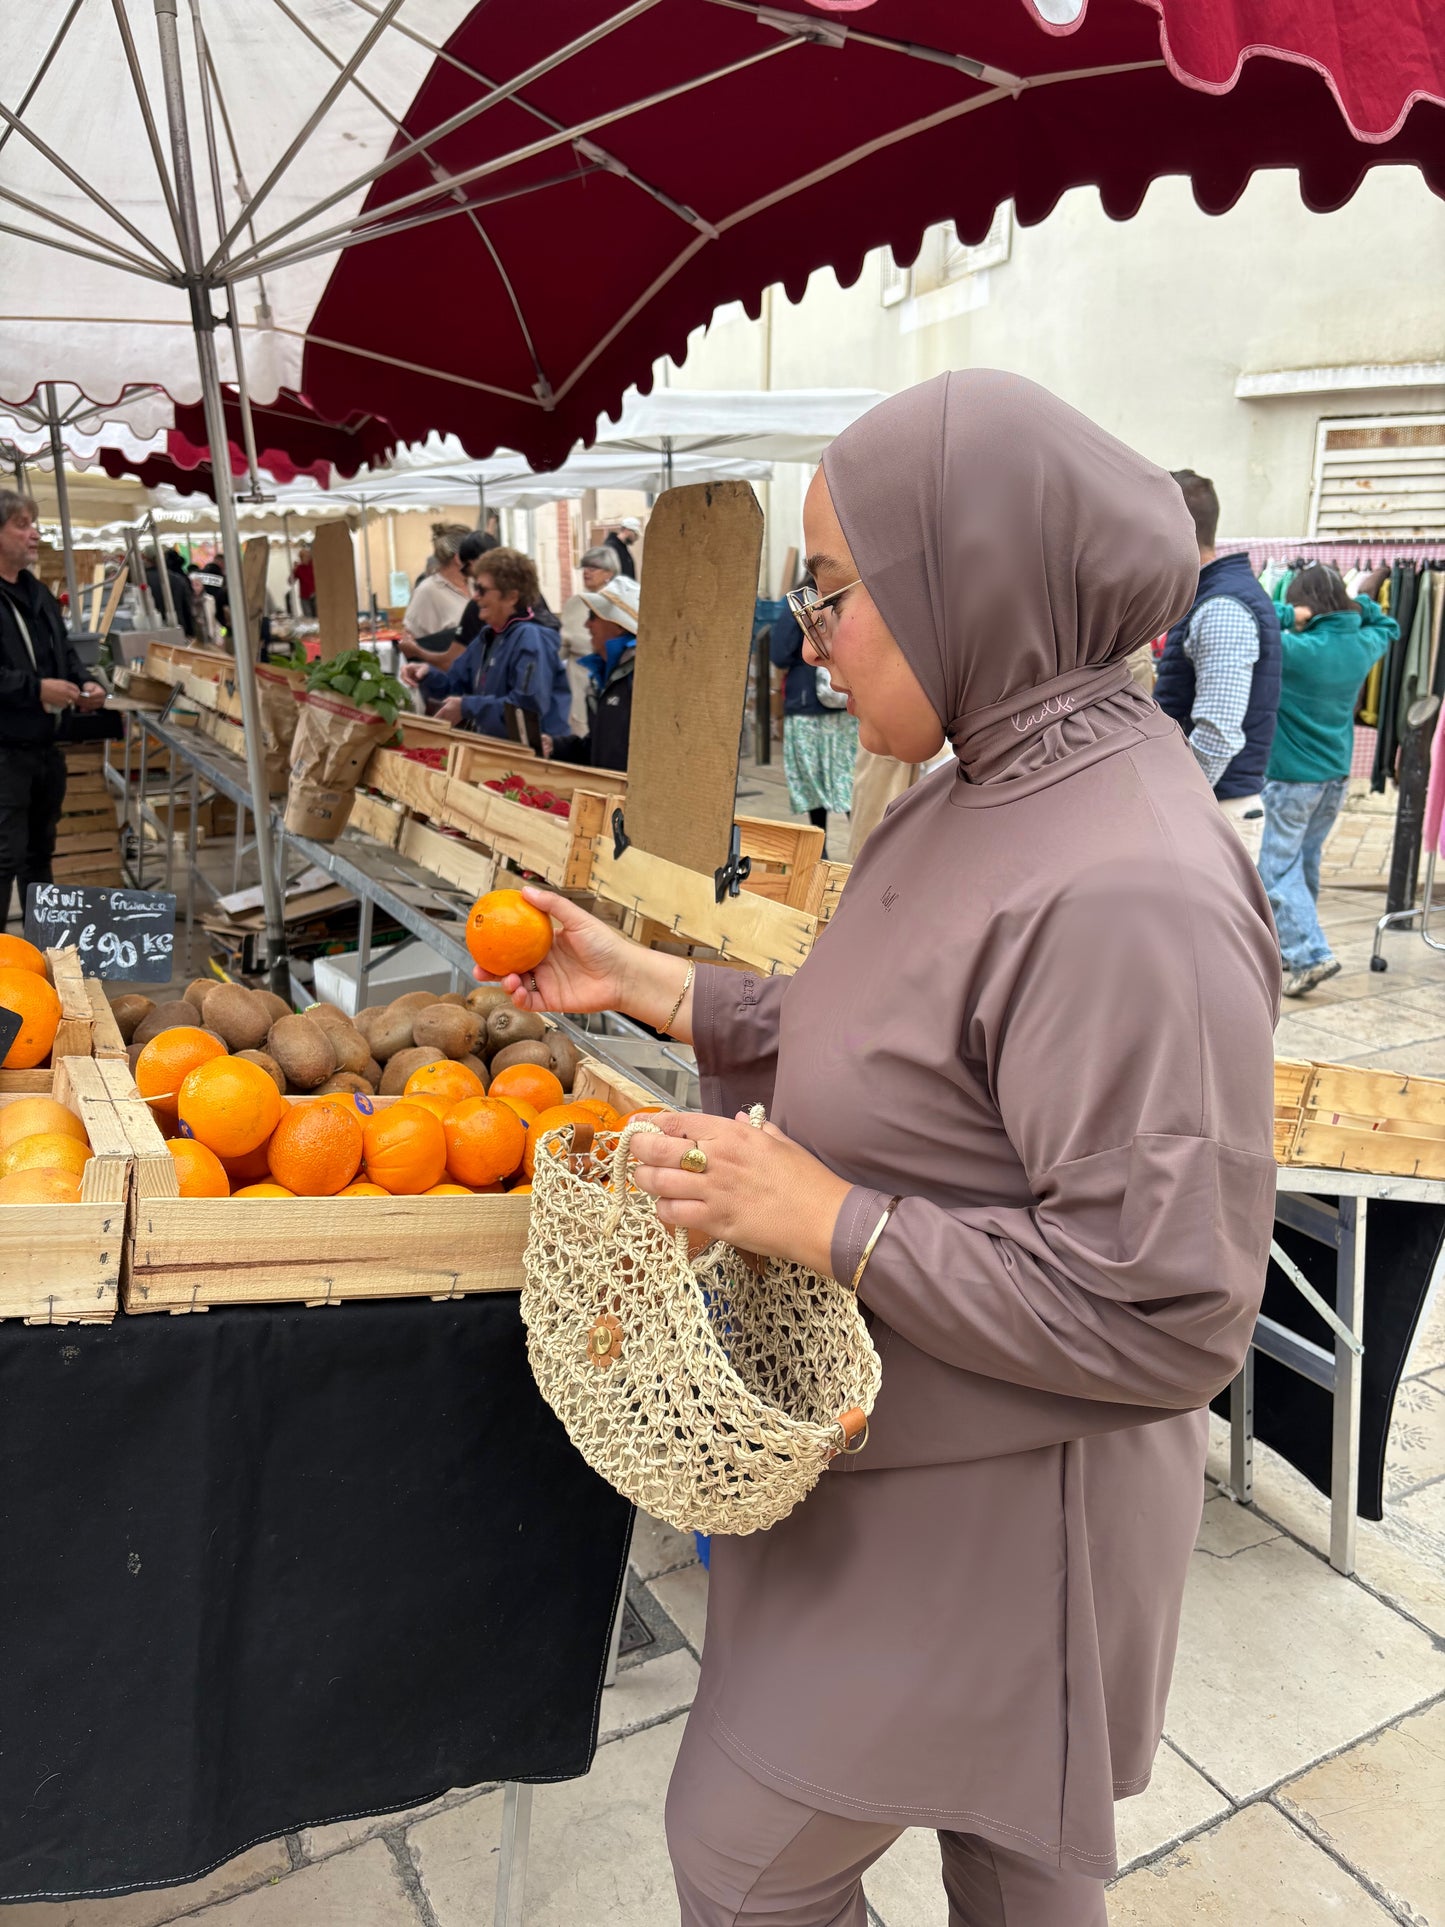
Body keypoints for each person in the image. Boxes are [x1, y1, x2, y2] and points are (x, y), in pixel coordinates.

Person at [491, 373, 1279, 1926]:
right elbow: (884, 1026)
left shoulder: (1129, 881)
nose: (812, 631)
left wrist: (829, 1218)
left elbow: (1169, 1304)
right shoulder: (972, 779)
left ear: (967, 573)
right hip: (906, 1445)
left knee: (743, 1858)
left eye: (836, 590)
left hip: (1005, 1503)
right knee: (1013, 1848)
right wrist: (650, 979)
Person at [1262, 564, 1399, 997]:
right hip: (1335, 777)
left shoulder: (1294, 650)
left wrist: (1289, 615)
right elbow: (1388, 623)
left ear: (1306, 605)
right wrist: (1359, 600)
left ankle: (1310, 954)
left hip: (1291, 778)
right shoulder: (1362, 642)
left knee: (1274, 870)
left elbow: (1259, 624)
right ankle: (1288, 947)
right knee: (1304, 863)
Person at [1154, 470, 1281, 851]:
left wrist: (1177, 802)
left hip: (1212, 809)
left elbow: (1218, 732)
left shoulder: (1221, 607)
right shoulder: (1217, 596)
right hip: (1213, 804)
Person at [0, 492, 107, 930]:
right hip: (4, 752)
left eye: (34, 523)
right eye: (22, 524)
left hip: (46, 749)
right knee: (3, 858)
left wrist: (84, 682)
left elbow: (63, 652)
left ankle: (40, 965)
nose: (34, 534)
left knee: (39, 858)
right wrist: (36, 688)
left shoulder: (38, 592)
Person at [401, 546, 569, 742]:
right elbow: (455, 686)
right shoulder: (487, 636)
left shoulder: (533, 639)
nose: (475, 596)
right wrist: (427, 674)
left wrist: (467, 707)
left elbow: (525, 708)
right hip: (497, 750)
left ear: (512, 597)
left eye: (482, 589)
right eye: (475, 588)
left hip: (533, 758)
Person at [770, 589, 857, 857]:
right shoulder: (846, 597)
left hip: (807, 706)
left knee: (812, 782)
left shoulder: (796, 604)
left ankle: (821, 851)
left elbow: (780, 654)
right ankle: (862, 848)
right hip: (843, 703)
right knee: (847, 780)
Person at [549, 573, 640, 772]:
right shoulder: (605, 675)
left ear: (618, 625)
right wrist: (555, 746)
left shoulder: (641, 676)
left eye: (593, 616)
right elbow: (598, 749)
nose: (586, 625)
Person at [559, 547, 619, 734]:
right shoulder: (574, 603)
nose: (587, 571)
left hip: (611, 691)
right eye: (585, 567)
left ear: (609, 573)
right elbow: (559, 649)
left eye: (594, 568)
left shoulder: (619, 605)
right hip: (576, 692)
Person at [399, 524, 472, 664]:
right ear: (458, 558)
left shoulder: (476, 584)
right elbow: (408, 645)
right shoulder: (427, 591)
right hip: (445, 677)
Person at [290, 545, 316, 616]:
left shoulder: (314, 565)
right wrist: (293, 570)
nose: (305, 558)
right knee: (308, 616)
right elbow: (290, 581)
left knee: (318, 615)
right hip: (305, 597)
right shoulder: (299, 568)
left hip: (315, 595)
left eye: (307, 556)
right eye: (302, 557)